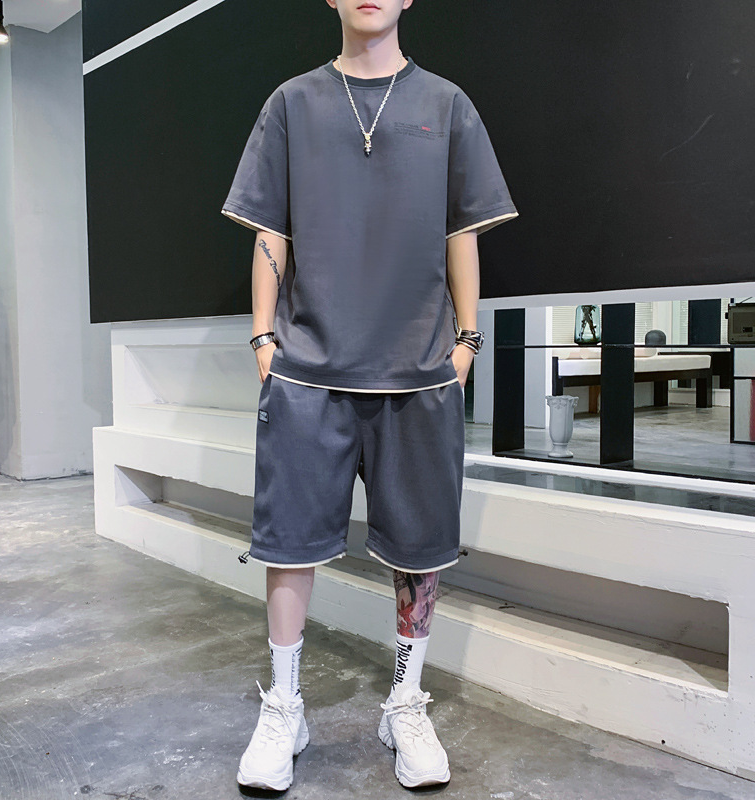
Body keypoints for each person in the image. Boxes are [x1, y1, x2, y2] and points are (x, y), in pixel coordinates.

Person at [221, 0, 518, 790]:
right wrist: (263, 337)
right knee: (288, 544)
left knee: (421, 549)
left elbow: (461, 230)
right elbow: (270, 228)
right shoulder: (292, 103)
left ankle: (405, 703)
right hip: (307, 369)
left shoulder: (446, 105)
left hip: (418, 371)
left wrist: (466, 342)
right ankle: (284, 707)